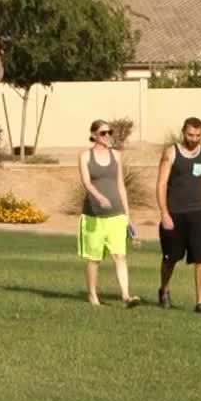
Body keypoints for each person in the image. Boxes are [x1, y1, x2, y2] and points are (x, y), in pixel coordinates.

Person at [155, 117, 201, 314]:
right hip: (175, 213)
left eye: (198, 135)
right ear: (183, 132)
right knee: (171, 257)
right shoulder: (171, 153)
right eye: (190, 135)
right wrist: (164, 213)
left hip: (198, 214)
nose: (194, 139)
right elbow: (160, 184)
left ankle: (200, 302)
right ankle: (164, 289)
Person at [77, 119, 140, 308]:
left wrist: (127, 215)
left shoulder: (117, 156)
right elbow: (87, 183)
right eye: (103, 133)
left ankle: (126, 296)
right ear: (94, 135)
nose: (107, 136)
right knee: (94, 258)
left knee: (119, 255)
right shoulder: (85, 156)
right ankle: (93, 295)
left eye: (109, 132)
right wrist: (99, 196)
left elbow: (121, 185)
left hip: (116, 214)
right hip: (94, 215)